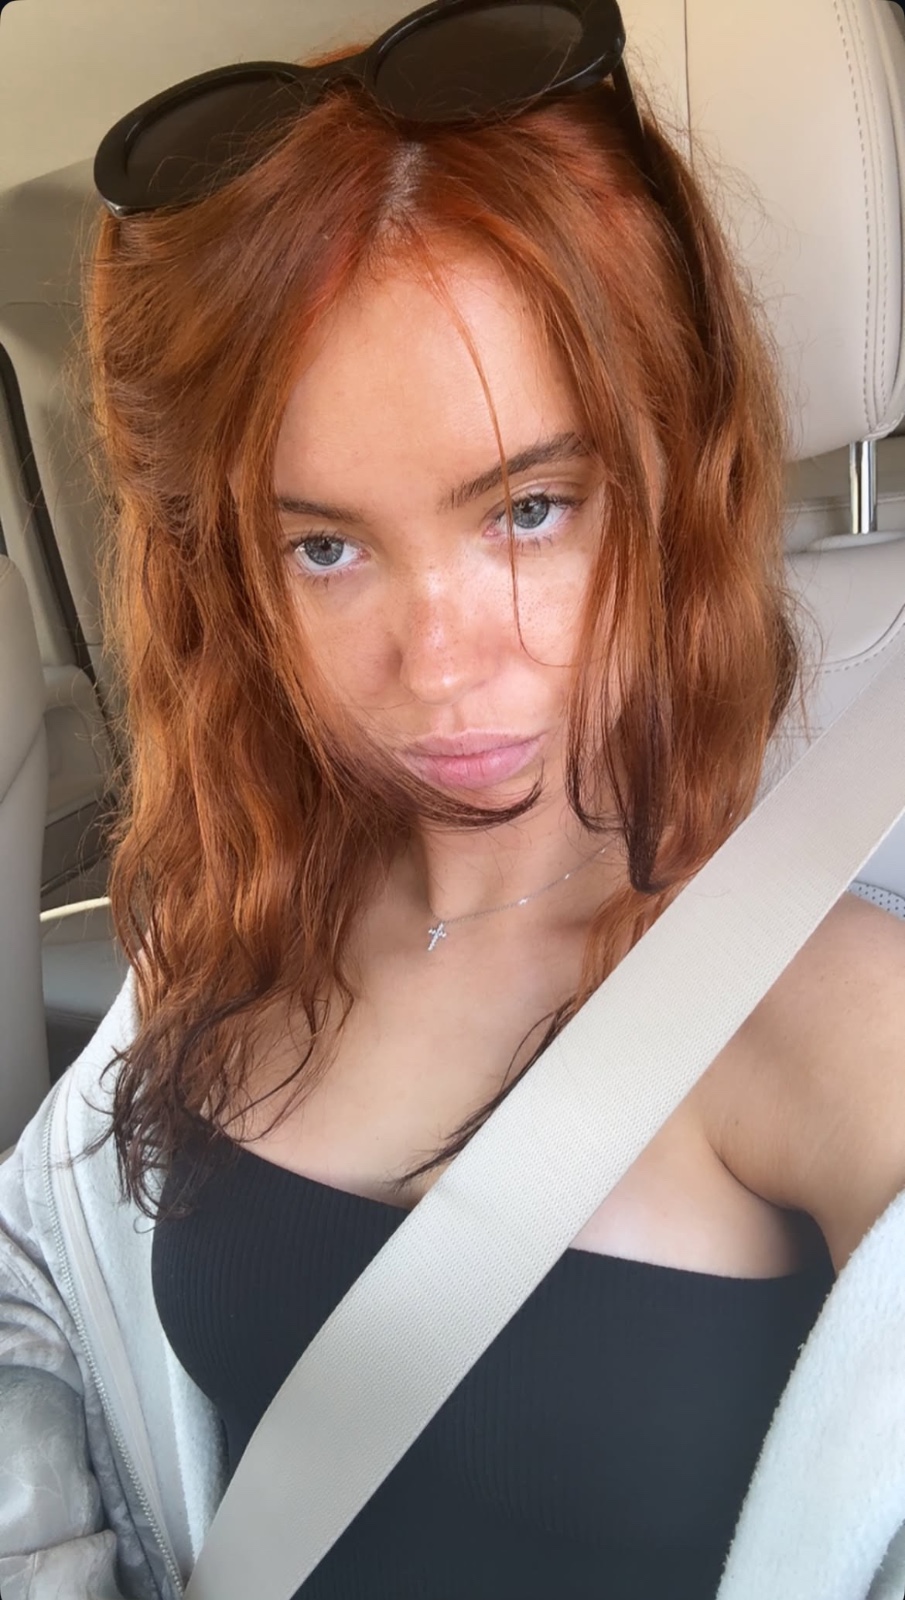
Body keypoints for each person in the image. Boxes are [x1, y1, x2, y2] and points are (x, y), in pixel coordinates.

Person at [2, 4, 905, 1599]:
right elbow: (40, 1288)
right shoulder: (236, 919)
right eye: (324, 547)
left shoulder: (827, 1015)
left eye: (529, 510)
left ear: (670, 469)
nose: (436, 667)